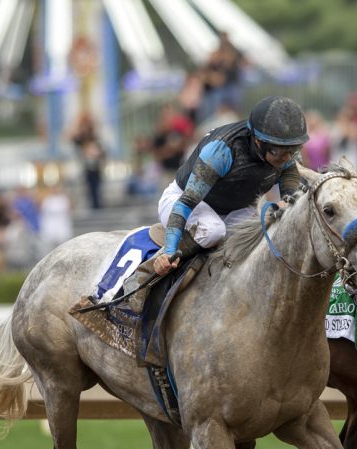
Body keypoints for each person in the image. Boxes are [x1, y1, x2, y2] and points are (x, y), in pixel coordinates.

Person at [126, 96, 309, 314]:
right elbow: (185, 204)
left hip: (233, 209)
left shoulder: (281, 151)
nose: (287, 157)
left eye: (292, 149)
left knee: (267, 232)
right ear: (258, 141)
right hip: (184, 201)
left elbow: (290, 177)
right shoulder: (222, 150)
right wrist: (171, 250)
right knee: (213, 230)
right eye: (280, 151)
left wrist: (290, 202)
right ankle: (144, 275)